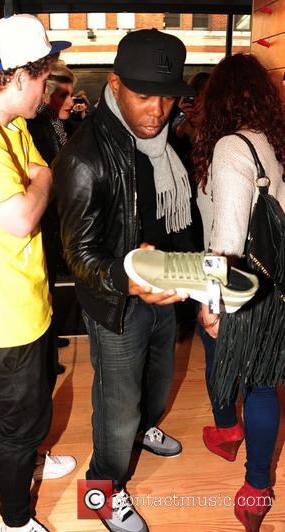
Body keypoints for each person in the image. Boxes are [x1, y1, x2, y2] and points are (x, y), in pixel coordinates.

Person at [54, 29, 194, 532]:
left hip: (164, 292)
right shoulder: (83, 156)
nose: (157, 110)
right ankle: (101, 489)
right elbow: (79, 255)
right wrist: (130, 277)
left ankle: (142, 430)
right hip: (116, 301)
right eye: (143, 95)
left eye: (166, 96)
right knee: (116, 406)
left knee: (156, 387)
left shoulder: (166, 142)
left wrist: (194, 279)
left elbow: (176, 221)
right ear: (114, 84)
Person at [0, 14, 75, 532]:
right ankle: (15, 520)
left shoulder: (14, 125)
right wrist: (40, 180)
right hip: (2, 320)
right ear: (19, 77)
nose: (49, 89)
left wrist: (37, 180)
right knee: (20, 423)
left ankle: (34, 461)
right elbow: (22, 217)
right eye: (43, 78)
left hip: (27, 303)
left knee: (36, 402)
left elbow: (42, 175)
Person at [193, 53, 285, 530]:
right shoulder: (271, 142)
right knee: (261, 378)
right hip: (272, 285)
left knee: (253, 379)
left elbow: (226, 237)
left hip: (238, 285)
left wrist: (213, 303)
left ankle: (250, 475)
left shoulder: (230, 148)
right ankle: (249, 470)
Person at [27, 61, 76, 371]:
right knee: (43, 280)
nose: (70, 102)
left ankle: (49, 337)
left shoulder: (53, 123)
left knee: (51, 279)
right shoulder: (35, 124)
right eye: (63, 96)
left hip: (50, 212)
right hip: (40, 215)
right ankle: (45, 351)